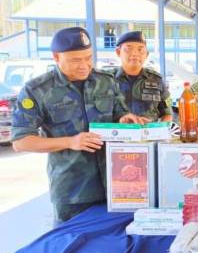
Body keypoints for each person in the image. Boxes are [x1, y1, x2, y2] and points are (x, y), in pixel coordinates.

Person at [11, 27, 140, 223]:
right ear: (56, 57)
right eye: (76, 60)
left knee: (116, 243)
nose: (84, 65)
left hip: (117, 183)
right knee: (72, 247)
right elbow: (21, 142)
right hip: (73, 191)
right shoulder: (37, 90)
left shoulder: (105, 81)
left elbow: (119, 113)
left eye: (88, 58)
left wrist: (124, 119)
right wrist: (70, 141)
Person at [112, 31, 172, 123]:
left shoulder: (156, 80)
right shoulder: (105, 80)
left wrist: (158, 129)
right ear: (118, 52)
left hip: (150, 135)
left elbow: (168, 114)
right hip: (117, 135)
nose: (135, 54)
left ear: (147, 54)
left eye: (140, 50)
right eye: (129, 49)